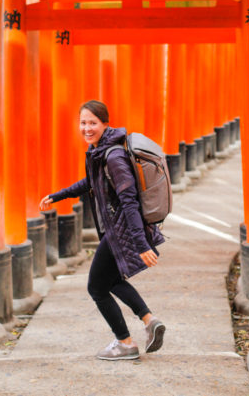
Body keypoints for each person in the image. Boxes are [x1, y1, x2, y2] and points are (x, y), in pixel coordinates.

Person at [40, 100, 166, 361]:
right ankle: (149, 320)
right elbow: (91, 181)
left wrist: (141, 244)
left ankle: (125, 343)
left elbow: (129, 199)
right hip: (117, 228)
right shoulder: (102, 150)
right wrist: (58, 195)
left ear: (105, 124)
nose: (87, 128)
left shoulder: (114, 156)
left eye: (93, 123)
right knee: (111, 281)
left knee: (97, 287)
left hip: (119, 229)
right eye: (83, 122)